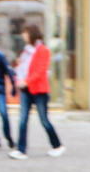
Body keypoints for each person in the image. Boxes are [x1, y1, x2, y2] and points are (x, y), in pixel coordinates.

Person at [10, 24, 64, 160]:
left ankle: (57, 145)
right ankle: (21, 150)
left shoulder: (43, 51)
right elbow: (23, 68)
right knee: (22, 120)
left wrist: (26, 81)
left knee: (44, 120)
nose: (23, 36)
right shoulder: (26, 51)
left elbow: (40, 71)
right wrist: (18, 69)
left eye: (25, 33)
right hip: (26, 89)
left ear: (31, 34)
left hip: (39, 90)